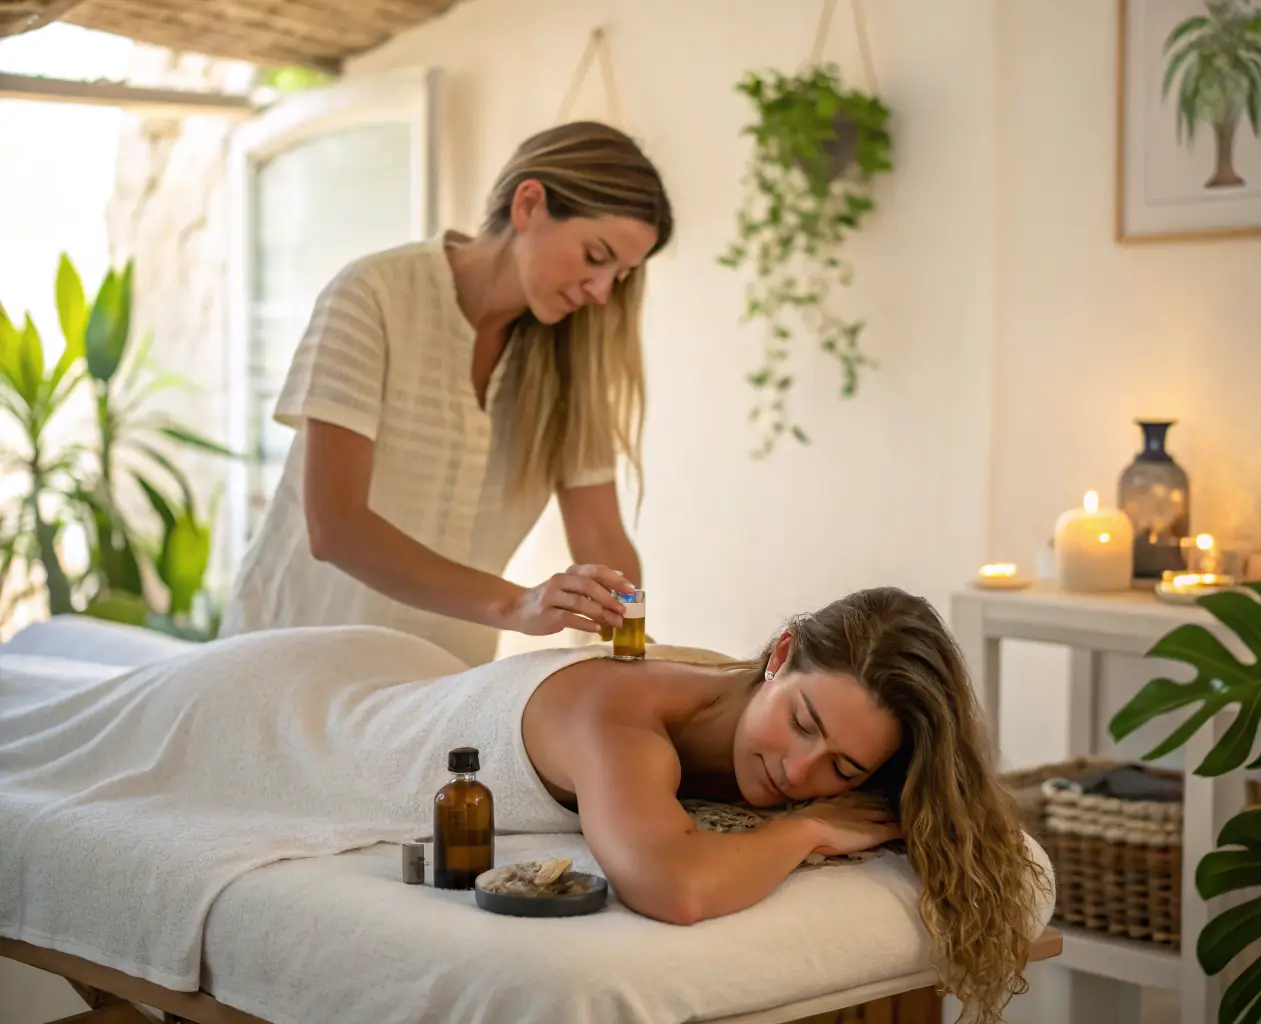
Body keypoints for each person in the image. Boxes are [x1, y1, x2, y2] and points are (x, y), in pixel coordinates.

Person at [3, 586, 1049, 1024]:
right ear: (778, 657)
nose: (802, 771)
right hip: (278, 714)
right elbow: (674, 885)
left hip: (395, 681)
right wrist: (813, 833)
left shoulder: (770, 738)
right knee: (35, 735)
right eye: (806, 722)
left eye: (842, 772)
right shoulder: (619, 713)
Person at [219, 121, 674, 667]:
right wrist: (515, 605)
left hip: (438, 690)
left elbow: (602, 535)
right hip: (288, 663)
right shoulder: (374, 296)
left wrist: (635, 656)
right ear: (528, 204)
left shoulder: (572, 360)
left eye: (620, 276)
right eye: (596, 257)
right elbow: (335, 526)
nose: (602, 293)